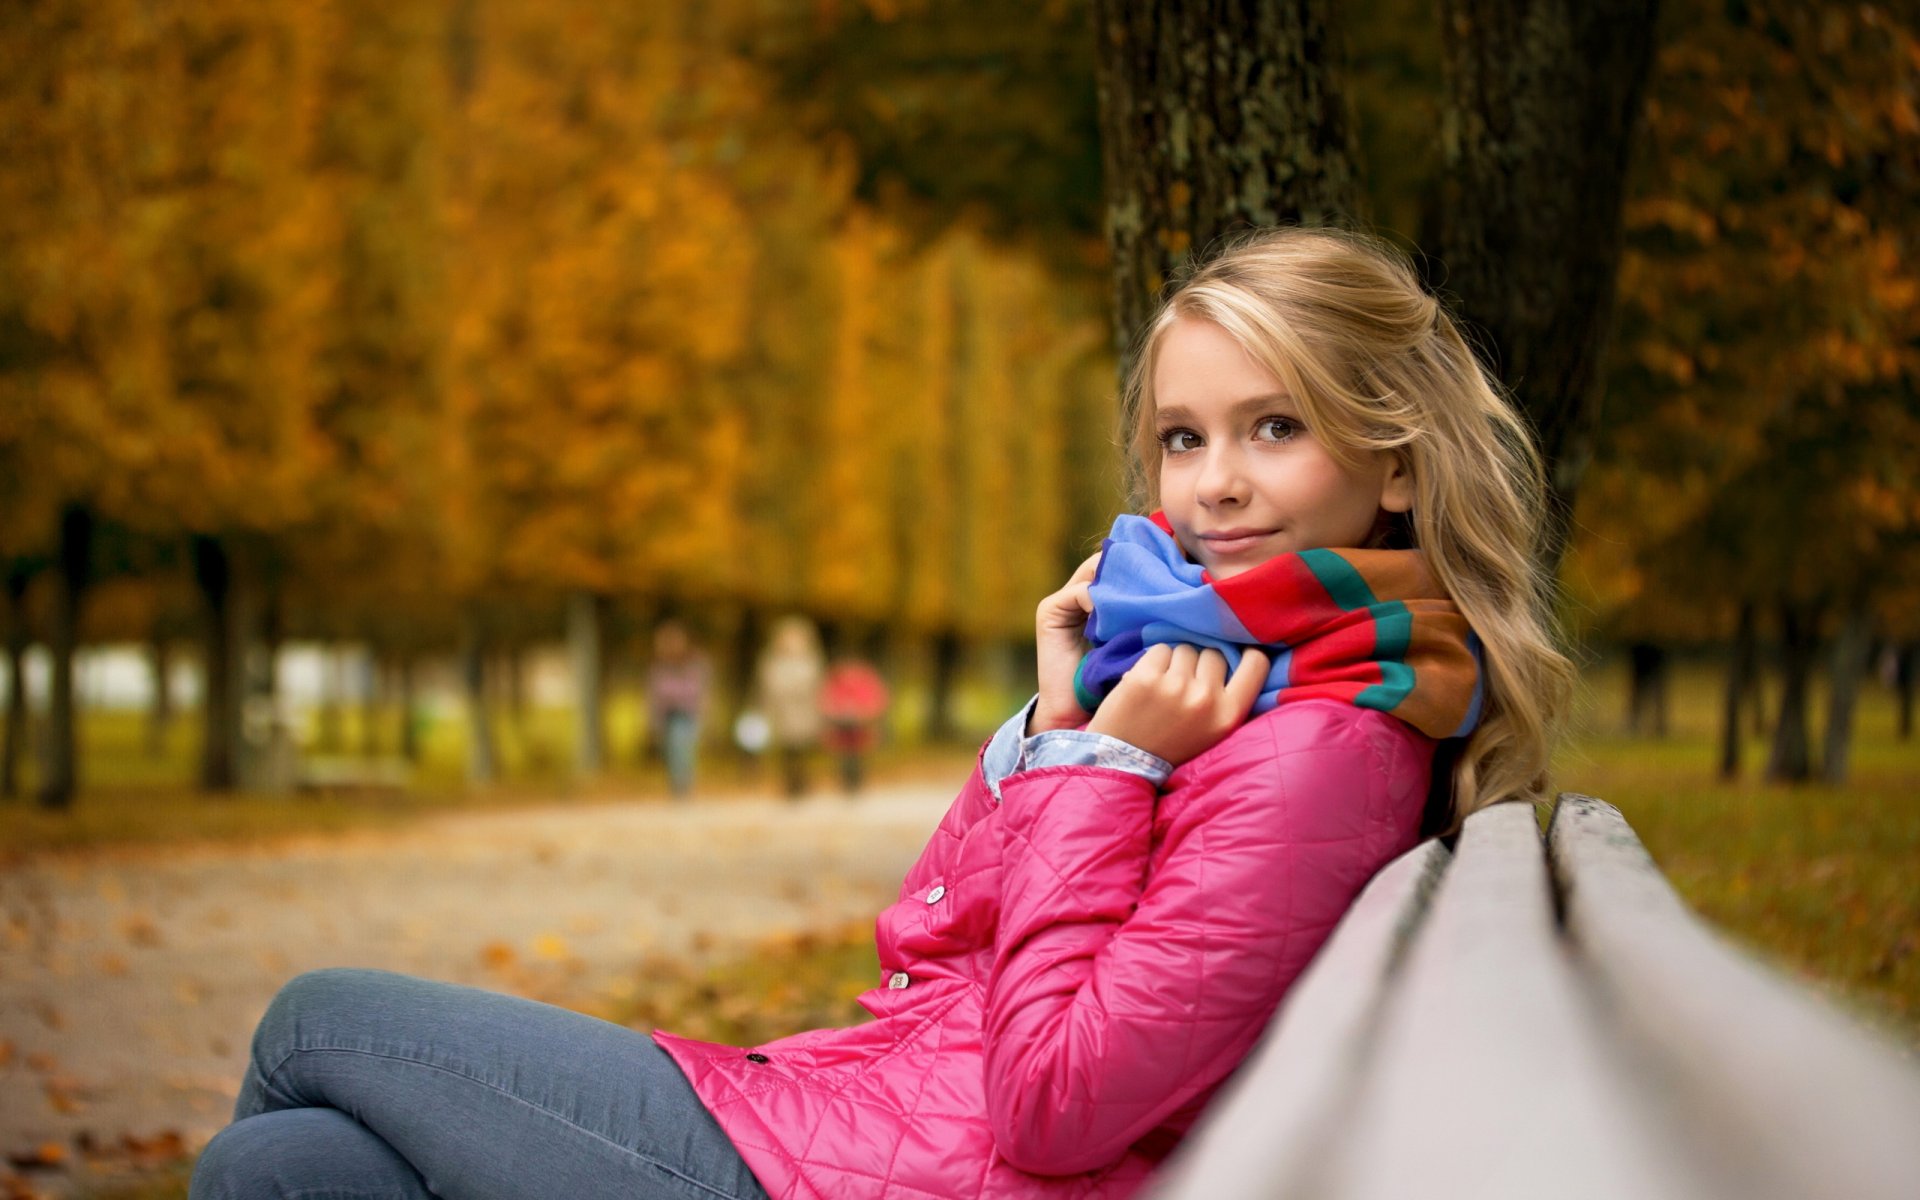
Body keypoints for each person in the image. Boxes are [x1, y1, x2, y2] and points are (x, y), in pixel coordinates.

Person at [189, 227, 1573, 1200]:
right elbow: (923, 935)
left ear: (1392, 463)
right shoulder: (1246, 686)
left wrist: (1098, 767)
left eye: (1276, 427)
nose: (1211, 485)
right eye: (1182, 437)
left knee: (319, 1025)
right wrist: (1055, 723)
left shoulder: (1322, 744)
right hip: (873, 1130)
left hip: (898, 1170)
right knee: (280, 1172)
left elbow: (1054, 1105)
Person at [755, 615, 826, 800]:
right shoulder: (772, 662)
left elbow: (815, 685)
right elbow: (769, 687)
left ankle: (801, 781)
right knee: (788, 750)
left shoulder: (810, 661)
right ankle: (791, 783)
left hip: (803, 711)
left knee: (802, 748)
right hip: (784, 712)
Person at [645, 620, 710, 798]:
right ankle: (677, 784)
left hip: (688, 712)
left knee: (684, 748)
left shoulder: (694, 663)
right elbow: (654, 693)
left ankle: (684, 784)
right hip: (669, 714)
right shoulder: (659, 666)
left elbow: (699, 689)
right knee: (672, 750)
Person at [820, 654, 890, 794]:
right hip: (841, 727)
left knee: (857, 757)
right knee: (845, 757)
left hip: (860, 727)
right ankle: (848, 781)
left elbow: (876, 700)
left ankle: (856, 781)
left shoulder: (864, 680)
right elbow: (826, 701)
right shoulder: (836, 682)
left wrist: (863, 712)